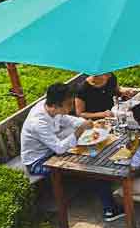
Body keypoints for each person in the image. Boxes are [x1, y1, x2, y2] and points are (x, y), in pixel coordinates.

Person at [19, 83, 94, 211]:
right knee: (81, 163)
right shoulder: (38, 122)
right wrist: (80, 130)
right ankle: (75, 195)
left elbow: (67, 120)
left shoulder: (52, 107)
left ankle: (90, 185)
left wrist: (87, 124)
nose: (71, 107)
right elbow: (59, 148)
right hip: (37, 161)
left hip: (51, 150)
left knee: (87, 152)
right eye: (69, 104)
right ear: (55, 106)